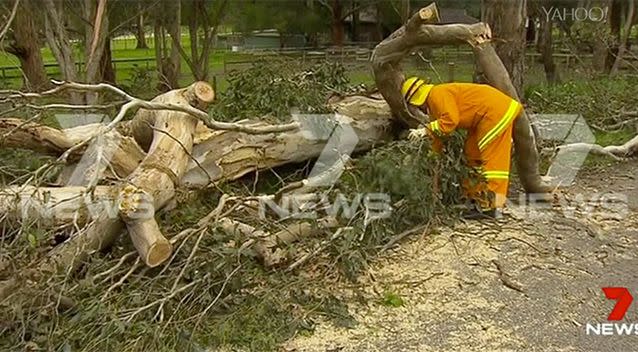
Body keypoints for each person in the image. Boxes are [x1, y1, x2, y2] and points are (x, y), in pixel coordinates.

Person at [402, 77, 523, 219]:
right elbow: (439, 134)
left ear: (416, 101)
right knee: (472, 157)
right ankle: (473, 199)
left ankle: (492, 206)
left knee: (493, 163)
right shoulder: (434, 105)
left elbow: (450, 121)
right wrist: (433, 156)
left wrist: (425, 130)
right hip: (482, 117)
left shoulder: (437, 94)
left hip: (494, 112)